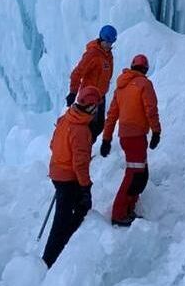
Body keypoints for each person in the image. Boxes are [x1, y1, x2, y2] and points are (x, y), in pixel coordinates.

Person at [42, 86, 102, 268]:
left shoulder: (65, 119)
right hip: (69, 179)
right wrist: (86, 187)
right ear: (91, 107)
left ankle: (62, 249)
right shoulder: (81, 130)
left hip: (57, 173)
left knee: (70, 213)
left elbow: (53, 145)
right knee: (64, 220)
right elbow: (80, 165)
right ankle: (49, 261)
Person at [100, 54, 161, 227]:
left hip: (126, 137)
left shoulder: (121, 87)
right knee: (134, 175)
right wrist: (156, 131)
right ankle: (119, 213)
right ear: (145, 69)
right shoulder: (144, 84)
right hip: (136, 137)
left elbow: (111, 115)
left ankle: (128, 208)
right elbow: (151, 109)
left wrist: (106, 139)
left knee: (140, 174)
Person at [68, 25, 117, 141]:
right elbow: (77, 73)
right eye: (107, 42)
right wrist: (73, 93)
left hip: (100, 96)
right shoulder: (92, 54)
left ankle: (86, 150)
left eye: (111, 42)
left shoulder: (108, 54)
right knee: (88, 127)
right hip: (89, 97)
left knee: (99, 125)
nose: (109, 45)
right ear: (102, 39)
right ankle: (82, 153)